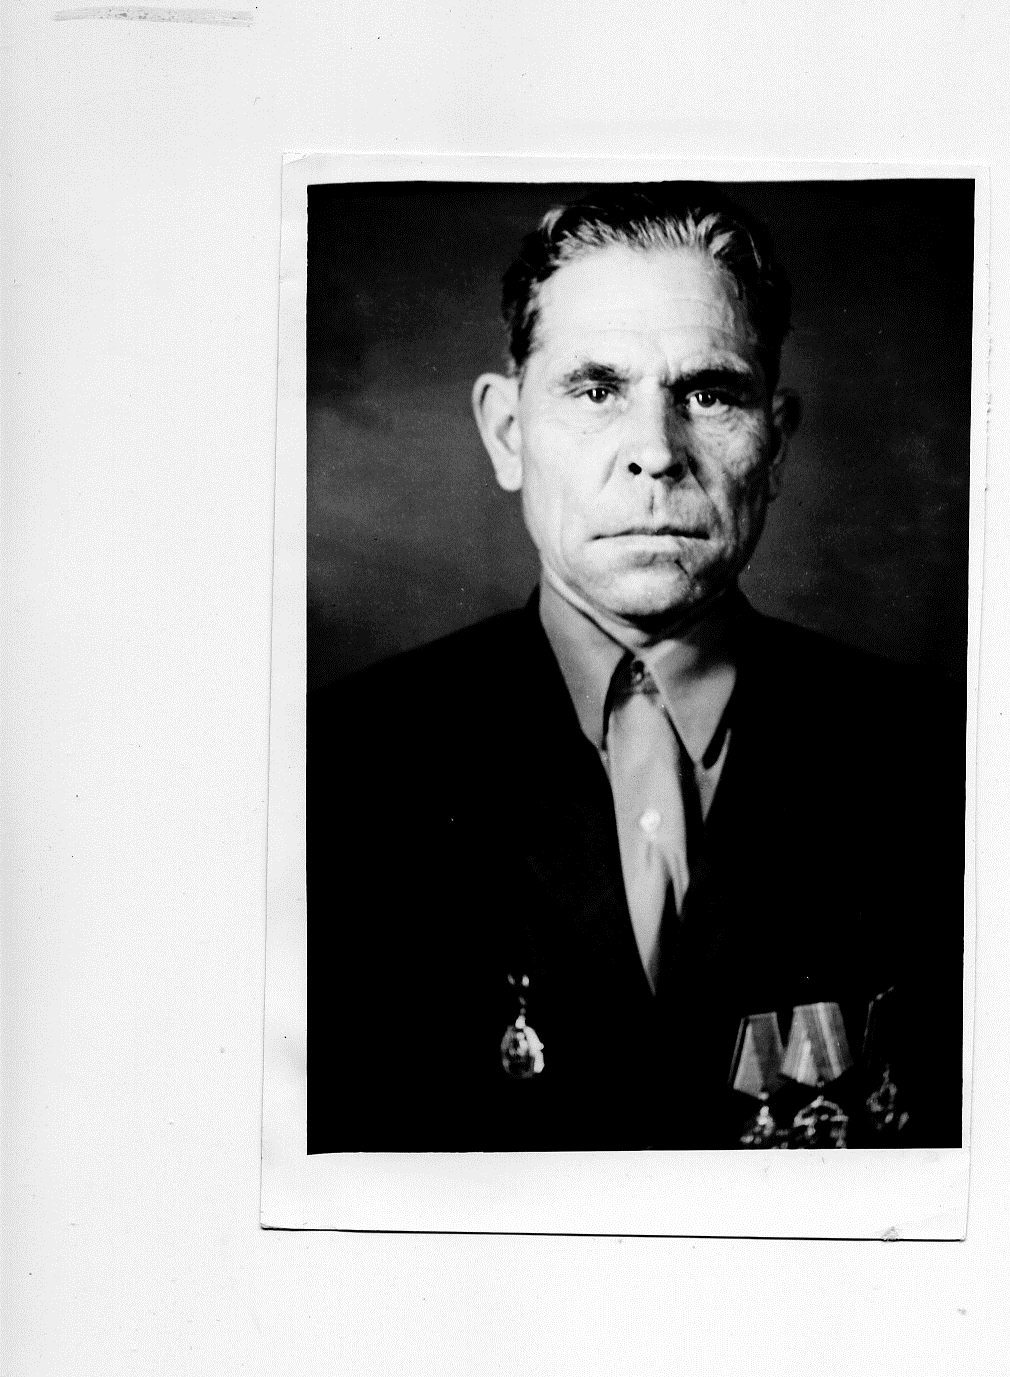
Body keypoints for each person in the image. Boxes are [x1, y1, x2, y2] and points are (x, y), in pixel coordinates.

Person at [307, 186, 965, 1152]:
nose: (655, 451)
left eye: (709, 393)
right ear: (506, 432)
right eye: (594, 389)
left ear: (776, 445)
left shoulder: (941, 759)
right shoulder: (334, 769)